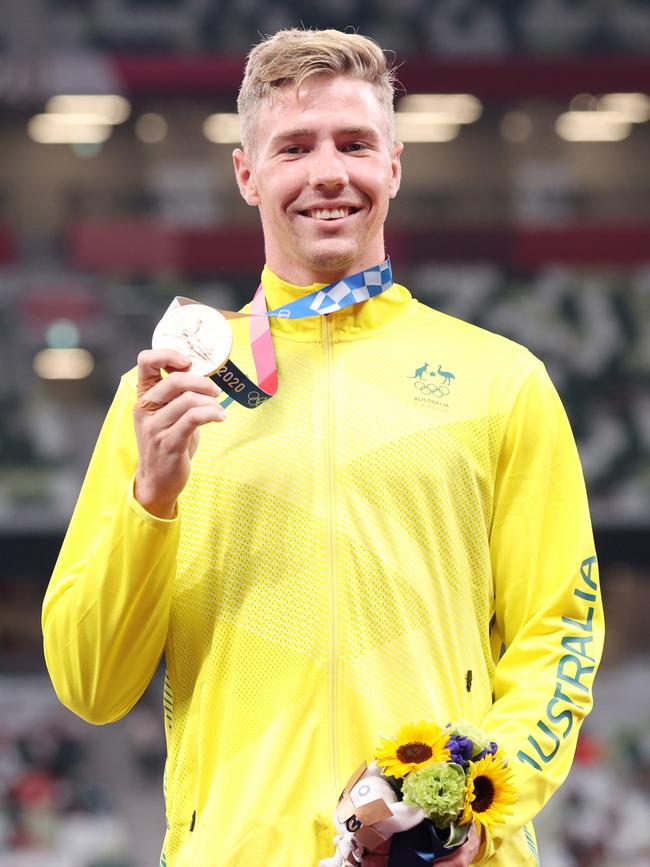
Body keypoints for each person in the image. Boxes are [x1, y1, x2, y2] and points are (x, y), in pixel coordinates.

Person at [42, 28, 604, 867]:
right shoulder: (166, 393)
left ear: (395, 166)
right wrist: (150, 500)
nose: (328, 173)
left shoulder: (502, 380)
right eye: (294, 146)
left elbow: (558, 627)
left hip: (438, 857)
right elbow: (91, 684)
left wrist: (483, 801)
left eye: (354, 144)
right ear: (248, 175)